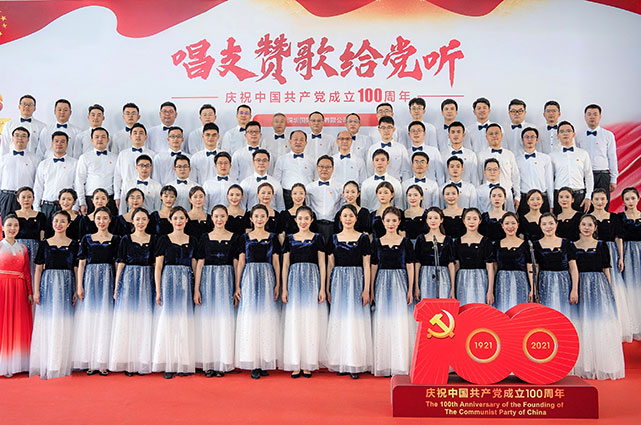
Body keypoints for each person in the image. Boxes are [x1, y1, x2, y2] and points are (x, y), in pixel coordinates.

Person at [573, 214, 625, 380]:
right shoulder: (572, 246)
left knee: (599, 323)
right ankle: (583, 364)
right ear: (579, 226)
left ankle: (602, 364)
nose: (587, 228)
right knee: (582, 322)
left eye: (590, 225)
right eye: (584, 224)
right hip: (580, 285)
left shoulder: (602, 245)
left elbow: (606, 269)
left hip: (598, 285)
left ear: (595, 227)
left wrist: (609, 290)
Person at [234, 204, 282, 379]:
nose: (260, 219)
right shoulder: (244, 238)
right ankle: (253, 361)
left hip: (268, 276)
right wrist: (238, 285)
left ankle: (264, 359)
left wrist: (278, 283)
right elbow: (241, 262)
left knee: (266, 316)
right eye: (256, 216)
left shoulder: (273, 237)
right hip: (249, 276)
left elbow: (276, 262)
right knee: (251, 316)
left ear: (267, 218)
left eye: (263, 216)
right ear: (251, 218)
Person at [29, 210, 79, 379]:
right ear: (52, 223)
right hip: (48, 284)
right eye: (56, 221)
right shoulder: (44, 244)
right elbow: (38, 269)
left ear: (68, 224)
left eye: (63, 221)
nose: (59, 224)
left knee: (64, 322)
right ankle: (48, 361)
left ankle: (61, 362)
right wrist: (36, 291)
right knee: (48, 321)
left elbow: (76, 268)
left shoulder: (74, 244)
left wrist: (76, 288)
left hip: (67, 284)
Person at [326, 205, 373, 378]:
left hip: (357, 280)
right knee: (340, 319)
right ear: (340, 218)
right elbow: (330, 265)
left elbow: (367, 264)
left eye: (351, 216)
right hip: (338, 281)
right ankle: (341, 361)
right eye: (344, 215)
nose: (348, 219)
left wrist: (366, 289)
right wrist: (328, 287)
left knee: (355, 320)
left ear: (356, 218)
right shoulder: (333, 238)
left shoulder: (363, 238)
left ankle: (355, 362)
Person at [281, 206, 328, 378]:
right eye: (300, 218)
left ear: (312, 220)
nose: (303, 222)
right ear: (295, 220)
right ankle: (296, 362)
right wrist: (284, 288)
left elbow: (322, 263)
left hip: (312, 279)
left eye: (306, 218)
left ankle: (308, 362)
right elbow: (285, 264)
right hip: (294, 280)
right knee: (295, 319)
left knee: (310, 319)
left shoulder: (318, 238)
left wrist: (322, 287)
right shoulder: (289, 239)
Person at [72, 207, 119, 375]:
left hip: (108, 277)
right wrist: (79, 285)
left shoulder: (116, 239)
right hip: (90, 278)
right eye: (98, 218)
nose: (101, 221)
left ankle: (102, 360)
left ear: (110, 220)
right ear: (94, 219)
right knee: (89, 317)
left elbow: (117, 263)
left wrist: (116, 285)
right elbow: (81, 263)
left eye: (105, 218)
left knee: (105, 317)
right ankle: (89, 360)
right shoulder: (87, 238)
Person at [109, 208, 157, 376]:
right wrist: (117, 286)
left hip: (147, 279)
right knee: (128, 318)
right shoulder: (125, 239)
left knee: (145, 318)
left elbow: (155, 264)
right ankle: (128, 361)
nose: (141, 222)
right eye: (138, 219)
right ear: (132, 221)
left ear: (148, 221)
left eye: (144, 219)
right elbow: (120, 263)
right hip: (129, 279)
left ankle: (143, 360)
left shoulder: (154, 239)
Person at [194, 205, 239, 377]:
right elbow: (199, 264)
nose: (219, 219)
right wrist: (196, 289)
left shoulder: (234, 237)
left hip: (226, 279)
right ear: (211, 218)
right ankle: (208, 362)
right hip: (208, 280)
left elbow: (236, 263)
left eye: (222, 216)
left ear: (227, 218)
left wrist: (236, 286)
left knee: (224, 319)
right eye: (216, 216)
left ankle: (223, 361)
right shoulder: (204, 237)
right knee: (207, 320)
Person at [370, 207, 415, 377]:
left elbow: (410, 265)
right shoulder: (377, 242)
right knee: (383, 320)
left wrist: (411, 288)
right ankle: (383, 363)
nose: (391, 224)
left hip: (400, 282)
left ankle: (400, 363)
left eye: (394, 221)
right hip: (382, 282)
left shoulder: (406, 242)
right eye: (388, 220)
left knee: (400, 321)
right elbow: (373, 266)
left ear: (399, 222)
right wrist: (371, 289)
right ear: (383, 222)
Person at [153, 207, 197, 379]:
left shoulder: (192, 240)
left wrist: (196, 288)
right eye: (175, 218)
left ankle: (183, 362)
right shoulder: (163, 240)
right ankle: (168, 362)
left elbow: (194, 265)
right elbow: (158, 266)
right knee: (169, 320)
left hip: (186, 280)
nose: (179, 221)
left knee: (184, 320)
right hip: (168, 279)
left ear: (186, 220)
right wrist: (158, 290)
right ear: (170, 220)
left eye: (182, 218)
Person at [591, 189, 632, 342]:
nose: (599, 202)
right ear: (592, 201)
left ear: (607, 200)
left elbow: (618, 238)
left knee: (614, 286)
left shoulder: (614, 217)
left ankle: (617, 325)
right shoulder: (587, 218)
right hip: (594, 253)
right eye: (596, 199)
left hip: (612, 253)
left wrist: (620, 257)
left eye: (602, 199)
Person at [0, 214, 33, 377]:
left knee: (18, 323)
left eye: (16, 225)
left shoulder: (23, 248)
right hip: (2, 288)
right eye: (9, 225)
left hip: (19, 288)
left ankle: (18, 362)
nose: (12, 228)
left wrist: (30, 292)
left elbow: (26, 272)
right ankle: (4, 364)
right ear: (2, 227)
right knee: (3, 323)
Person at [533, 213, 579, 319]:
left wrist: (574, 289)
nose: (548, 227)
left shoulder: (567, 243)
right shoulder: (535, 245)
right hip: (544, 283)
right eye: (544, 224)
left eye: (551, 223)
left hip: (564, 283)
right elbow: (536, 269)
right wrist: (535, 290)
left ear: (556, 224)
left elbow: (573, 267)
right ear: (540, 226)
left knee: (565, 313)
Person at [575, 104, 618, 201]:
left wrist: (613, 179)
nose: (592, 117)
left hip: (602, 174)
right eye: (589, 114)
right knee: (586, 204)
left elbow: (612, 157)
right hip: (585, 175)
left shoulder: (608, 135)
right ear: (585, 117)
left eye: (595, 114)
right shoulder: (578, 136)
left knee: (602, 204)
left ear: (600, 116)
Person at [453, 208, 495, 305]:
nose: (471, 222)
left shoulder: (486, 241)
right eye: (468, 218)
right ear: (464, 221)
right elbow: (456, 265)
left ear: (480, 221)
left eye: (475, 219)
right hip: (462, 279)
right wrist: (452, 288)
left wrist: (490, 290)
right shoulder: (457, 242)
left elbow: (490, 267)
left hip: (480, 279)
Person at [33, 131, 79, 220]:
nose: (59, 144)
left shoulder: (75, 163)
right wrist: (36, 207)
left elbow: (77, 186)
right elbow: (38, 187)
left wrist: (75, 207)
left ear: (67, 144)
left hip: (66, 207)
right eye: (56, 141)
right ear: (52, 144)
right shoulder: (43, 164)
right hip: (47, 206)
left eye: (63, 141)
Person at [550, 121, 593, 213]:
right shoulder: (552, 156)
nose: (565, 133)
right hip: (560, 196)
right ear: (558, 136)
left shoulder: (583, 153)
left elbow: (589, 176)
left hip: (579, 195)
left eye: (568, 131)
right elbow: (550, 180)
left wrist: (588, 196)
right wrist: (551, 202)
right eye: (562, 131)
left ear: (573, 134)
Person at [493, 212, 532, 312]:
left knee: (519, 311)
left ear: (518, 225)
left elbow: (530, 266)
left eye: (513, 223)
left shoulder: (525, 244)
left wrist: (532, 288)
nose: (510, 226)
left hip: (520, 281)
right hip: (501, 282)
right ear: (502, 225)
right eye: (507, 223)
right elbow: (494, 267)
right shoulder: (496, 244)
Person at [414, 207, 456, 299]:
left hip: (443, 276)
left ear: (441, 220)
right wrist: (416, 285)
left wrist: (453, 287)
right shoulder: (421, 239)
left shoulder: (448, 239)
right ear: (426, 220)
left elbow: (451, 264)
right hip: (425, 276)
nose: (433, 220)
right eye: (430, 218)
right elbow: (417, 263)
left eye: (436, 218)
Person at [75, 127, 118, 215]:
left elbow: (117, 180)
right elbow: (79, 180)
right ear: (92, 140)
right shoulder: (84, 157)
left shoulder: (115, 158)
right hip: (90, 199)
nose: (100, 139)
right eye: (97, 137)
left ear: (108, 140)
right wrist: (82, 202)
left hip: (110, 198)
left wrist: (117, 196)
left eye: (103, 137)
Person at [476, 124, 520, 208]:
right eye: (491, 134)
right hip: (487, 195)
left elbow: (515, 176)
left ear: (501, 135)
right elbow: (478, 178)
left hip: (507, 195)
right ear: (486, 137)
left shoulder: (509, 154)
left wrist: (517, 196)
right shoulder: (480, 155)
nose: (494, 136)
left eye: (496, 133)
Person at [0, 127, 40, 219]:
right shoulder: (3, 159)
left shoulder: (36, 159)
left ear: (28, 139)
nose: (20, 138)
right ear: (12, 138)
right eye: (17, 135)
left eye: (23, 136)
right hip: (6, 197)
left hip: (26, 198)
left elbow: (37, 182)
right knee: (7, 224)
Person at [113, 123, 155, 207]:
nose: (138, 135)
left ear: (145, 137)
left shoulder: (153, 155)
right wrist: (117, 195)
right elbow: (117, 175)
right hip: (127, 192)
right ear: (130, 137)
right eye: (135, 133)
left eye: (141, 133)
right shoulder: (123, 154)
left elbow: (154, 175)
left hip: (147, 192)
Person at [619, 187, 641, 340]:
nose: (630, 201)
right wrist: (621, 257)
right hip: (627, 253)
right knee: (630, 287)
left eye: (633, 198)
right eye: (627, 199)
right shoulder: (620, 217)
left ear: (638, 198)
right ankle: (633, 325)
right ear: (623, 201)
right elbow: (619, 238)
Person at [516, 127, 554, 215]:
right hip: (525, 198)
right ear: (522, 140)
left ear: (537, 139)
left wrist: (551, 204)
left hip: (542, 198)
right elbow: (516, 183)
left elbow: (549, 182)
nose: (530, 139)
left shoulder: (545, 158)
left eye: (532, 137)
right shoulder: (517, 160)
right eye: (527, 137)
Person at [273, 130, 315, 209]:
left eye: (301, 140)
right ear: (290, 141)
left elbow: (315, 180)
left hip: (306, 196)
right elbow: (277, 182)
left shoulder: (312, 160)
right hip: (287, 196)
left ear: (306, 143)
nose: (298, 142)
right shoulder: (282, 159)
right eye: (295, 139)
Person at [306, 156, 341, 243]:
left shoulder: (339, 187)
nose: (324, 169)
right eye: (321, 166)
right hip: (314, 225)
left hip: (333, 226)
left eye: (328, 167)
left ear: (332, 169)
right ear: (317, 168)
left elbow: (342, 206)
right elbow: (307, 205)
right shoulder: (309, 187)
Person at [14, 187, 46, 279]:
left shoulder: (40, 216)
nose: (26, 200)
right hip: (17, 247)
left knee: (33, 272)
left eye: (29, 197)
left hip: (35, 247)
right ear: (18, 199)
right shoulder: (13, 215)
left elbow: (42, 235)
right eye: (23, 197)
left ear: (33, 198)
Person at [366, 116, 411, 181]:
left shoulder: (401, 148)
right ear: (379, 130)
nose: (386, 130)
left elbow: (406, 171)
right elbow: (369, 171)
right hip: (377, 184)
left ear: (394, 129)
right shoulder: (372, 148)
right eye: (383, 127)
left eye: (389, 127)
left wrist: (403, 186)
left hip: (395, 184)